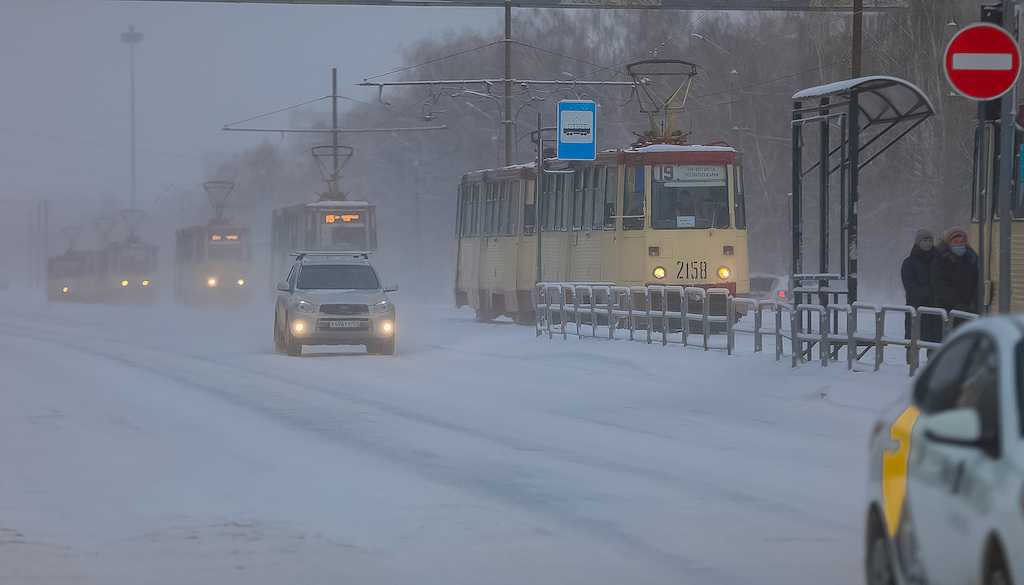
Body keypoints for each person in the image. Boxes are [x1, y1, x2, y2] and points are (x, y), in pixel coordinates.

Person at [930, 226, 979, 325]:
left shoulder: (971, 259)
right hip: (947, 309)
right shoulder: (940, 260)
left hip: (968, 308)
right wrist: (957, 303)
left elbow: (976, 282)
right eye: (956, 242)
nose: (960, 244)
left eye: (962, 242)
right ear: (949, 243)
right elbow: (940, 285)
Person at [901, 229, 940, 349]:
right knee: (913, 344)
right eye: (925, 240)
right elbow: (909, 285)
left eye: (930, 240)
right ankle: (911, 365)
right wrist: (928, 292)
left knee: (935, 344)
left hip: (936, 309)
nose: (928, 243)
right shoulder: (909, 262)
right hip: (916, 307)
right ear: (918, 242)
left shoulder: (939, 260)